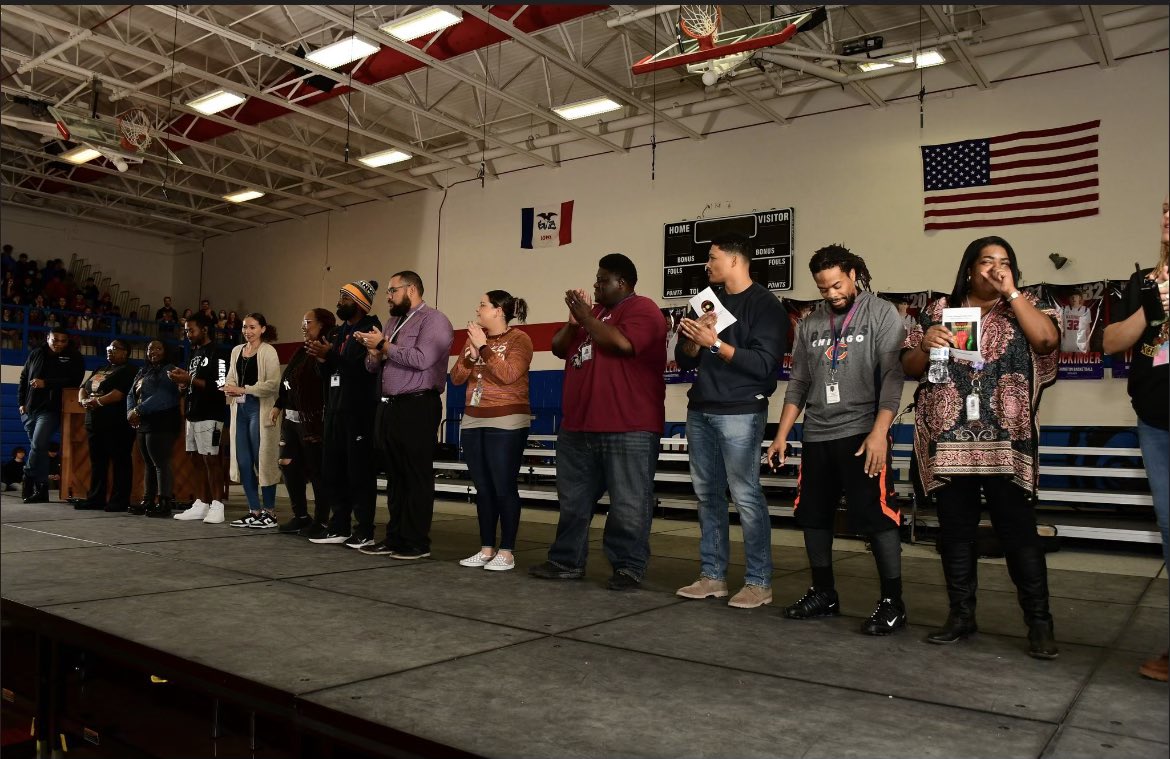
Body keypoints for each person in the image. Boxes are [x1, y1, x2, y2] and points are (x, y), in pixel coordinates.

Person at [903, 235, 1060, 660]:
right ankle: (961, 617)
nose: (995, 267)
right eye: (986, 261)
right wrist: (925, 343)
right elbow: (910, 368)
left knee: (1018, 533)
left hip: (1007, 443)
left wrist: (1012, 292)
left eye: (1004, 261)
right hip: (949, 439)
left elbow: (1046, 343)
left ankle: (1040, 624)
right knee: (955, 533)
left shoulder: (1025, 306)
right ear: (970, 268)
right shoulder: (939, 309)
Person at [764, 245, 908, 634]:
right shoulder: (810, 323)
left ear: (854, 274)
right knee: (812, 515)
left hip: (863, 432)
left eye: (837, 284)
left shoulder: (881, 314)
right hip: (817, 434)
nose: (831, 294)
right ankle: (824, 592)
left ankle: (893, 603)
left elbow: (894, 377)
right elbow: (799, 383)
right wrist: (781, 436)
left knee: (877, 517)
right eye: (823, 287)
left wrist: (880, 432)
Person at [528, 254, 667, 590]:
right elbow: (560, 349)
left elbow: (622, 344)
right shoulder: (594, 317)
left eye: (602, 279)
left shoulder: (642, 309)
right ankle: (566, 561)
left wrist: (587, 318)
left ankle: (628, 567)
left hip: (628, 426)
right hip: (579, 426)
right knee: (573, 501)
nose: (595, 284)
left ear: (622, 282)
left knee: (628, 503)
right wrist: (575, 323)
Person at [673, 234, 787, 608]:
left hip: (741, 409)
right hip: (701, 409)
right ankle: (713, 577)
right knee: (707, 496)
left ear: (736, 260)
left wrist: (714, 343)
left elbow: (763, 364)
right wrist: (693, 338)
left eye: (712, 257)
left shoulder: (765, 305)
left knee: (745, 495)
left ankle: (758, 581)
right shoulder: (707, 300)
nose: (707, 264)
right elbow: (686, 358)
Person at [1102, 197, 1169, 682]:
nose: (1166, 219)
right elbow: (1111, 342)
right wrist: (1154, 305)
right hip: (1156, 422)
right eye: (1164, 211)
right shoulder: (1144, 281)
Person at [355, 271, 454, 558]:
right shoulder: (392, 322)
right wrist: (373, 353)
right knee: (396, 476)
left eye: (392, 290)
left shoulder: (434, 320)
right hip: (389, 405)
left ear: (411, 289)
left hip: (418, 404)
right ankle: (395, 537)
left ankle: (416, 541)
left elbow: (423, 359)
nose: (387, 296)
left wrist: (383, 346)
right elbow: (373, 368)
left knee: (415, 475)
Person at [449, 290, 534, 571]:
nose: (478, 309)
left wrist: (484, 348)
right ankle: (487, 548)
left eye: (483, 305)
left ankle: (507, 551)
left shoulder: (520, 339)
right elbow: (457, 378)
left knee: (503, 485)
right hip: (474, 417)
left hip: (507, 419)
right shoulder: (474, 338)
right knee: (483, 487)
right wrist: (471, 356)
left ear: (498, 310)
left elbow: (510, 374)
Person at [306, 280, 382, 548]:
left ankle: (364, 529)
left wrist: (333, 357)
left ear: (360, 303)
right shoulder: (339, 333)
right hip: (335, 409)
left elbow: (364, 371)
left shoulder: (370, 330)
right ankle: (339, 524)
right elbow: (332, 373)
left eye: (345, 298)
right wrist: (322, 359)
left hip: (359, 410)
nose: (339, 303)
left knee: (358, 471)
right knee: (333, 470)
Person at [273, 308, 335, 536]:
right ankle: (300, 516)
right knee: (287, 464)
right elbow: (287, 381)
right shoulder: (301, 350)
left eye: (308, 322)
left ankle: (322, 521)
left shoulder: (326, 349)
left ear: (322, 325)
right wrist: (279, 404)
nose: (303, 326)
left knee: (317, 471)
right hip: (290, 418)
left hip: (312, 421)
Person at [169, 313, 229, 524]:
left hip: (211, 414)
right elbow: (193, 382)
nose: (187, 334)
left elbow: (221, 386)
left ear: (204, 329)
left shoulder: (219, 352)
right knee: (194, 458)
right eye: (185, 331)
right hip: (193, 414)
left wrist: (190, 379)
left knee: (211, 459)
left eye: (190, 330)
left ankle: (217, 505)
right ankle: (201, 503)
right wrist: (183, 383)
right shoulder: (194, 353)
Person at [224, 314, 281, 529]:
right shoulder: (236, 351)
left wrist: (243, 389)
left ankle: (270, 512)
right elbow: (231, 376)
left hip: (260, 408)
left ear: (263, 329)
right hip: (239, 409)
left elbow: (272, 385)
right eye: (244, 327)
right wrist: (230, 387)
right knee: (243, 461)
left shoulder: (269, 351)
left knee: (263, 461)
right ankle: (254, 510)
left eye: (253, 327)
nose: (247, 331)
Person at [18, 326, 85, 503]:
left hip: (52, 409)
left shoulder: (74, 356)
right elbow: (24, 377)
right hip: (30, 409)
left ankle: (27, 475)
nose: (59, 344)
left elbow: (74, 381)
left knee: (39, 444)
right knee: (38, 450)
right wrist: (21, 403)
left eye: (63, 341)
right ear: (48, 338)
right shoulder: (36, 353)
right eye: (55, 339)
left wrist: (46, 383)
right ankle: (41, 491)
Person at [77, 340, 138, 511]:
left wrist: (97, 401)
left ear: (125, 352)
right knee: (98, 463)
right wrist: (83, 400)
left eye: (114, 349)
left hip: (117, 424)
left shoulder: (129, 370)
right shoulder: (101, 368)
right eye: (108, 349)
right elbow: (83, 387)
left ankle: (119, 500)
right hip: (94, 422)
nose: (110, 351)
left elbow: (118, 394)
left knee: (120, 462)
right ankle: (96, 498)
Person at [126, 339, 182, 517]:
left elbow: (163, 396)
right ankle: (148, 500)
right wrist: (130, 411)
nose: (153, 352)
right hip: (144, 421)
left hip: (163, 421)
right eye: (150, 349)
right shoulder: (143, 370)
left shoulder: (170, 369)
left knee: (161, 463)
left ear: (166, 351)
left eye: (158, 348)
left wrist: (138, 410)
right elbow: (131, 393)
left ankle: (164, 502)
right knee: (148, 463)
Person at [1059, 290, 1093, 354]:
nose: (1074, 298)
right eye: (1072, 297)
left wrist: (1088, 345)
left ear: (1080, 298)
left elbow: (1088, 330)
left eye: (1076, 296)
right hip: (1066, 345)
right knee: (1065, 363)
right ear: (1069, 298)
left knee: (1081, 363)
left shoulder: (1086, 310)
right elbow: (1060, 327)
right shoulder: (1063, 309)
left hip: (1081, 346)